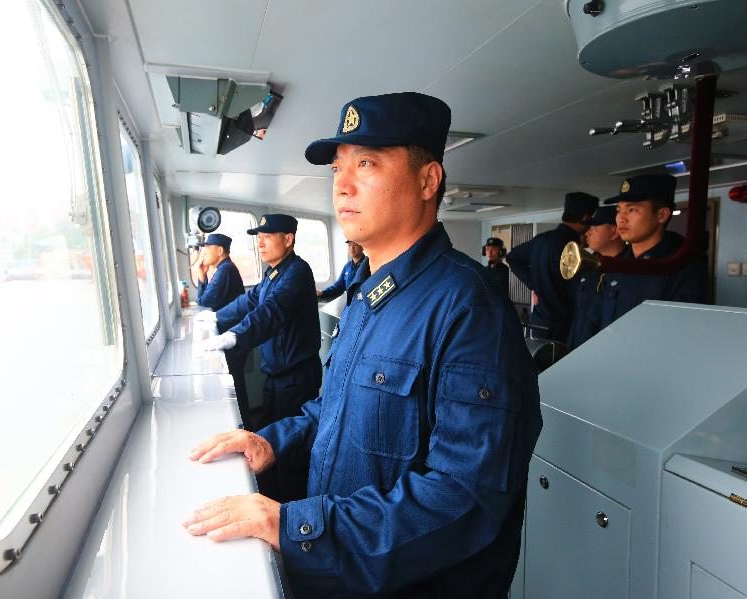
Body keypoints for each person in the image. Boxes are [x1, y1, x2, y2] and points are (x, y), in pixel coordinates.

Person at [185, 92, 541, 598]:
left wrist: (295, 526)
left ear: (427, 180)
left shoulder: (469, 308)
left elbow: (465, 495)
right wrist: (272, 441)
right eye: (337, 169)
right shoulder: (370, 294)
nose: (342, 186)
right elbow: (333, 406)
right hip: (343, 573)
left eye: (367, 163)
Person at [199, 213, 321, 503]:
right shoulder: (274, 273)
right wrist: (217, 317)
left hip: (295, 378)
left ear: (288, 239)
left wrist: (236, 336)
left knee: (292, 448)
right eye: (258, 238)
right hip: (275, 375)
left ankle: (293, 505)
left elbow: (272, 311)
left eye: (267, 237)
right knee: (272, 439)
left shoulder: (297, 272)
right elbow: (251, 301)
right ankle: (273, 494)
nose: (261, 244)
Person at [599, 174, 708, 328]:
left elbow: (685, 330)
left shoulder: (681, 267)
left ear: (661, 215)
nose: (621, 218)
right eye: (619, 210)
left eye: (632, 209)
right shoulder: (618, 264)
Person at [506, 191, 599, 343]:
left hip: (538, 322)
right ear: (586, 218)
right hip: (564, 326)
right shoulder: (572, 248)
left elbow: (512, 258)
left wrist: (535, 285)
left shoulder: (542, 240)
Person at [191, 233, 249, 420]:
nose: (204, 253)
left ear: (220, 250)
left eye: (207, 249)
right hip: (230, 331)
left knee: (236, 382)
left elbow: (205, 300)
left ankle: (246, 424)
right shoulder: (224, 269)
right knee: (236, 380)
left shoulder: (225, 270)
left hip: (232, 333)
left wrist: (201, 275)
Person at [565, 206, 624, 350]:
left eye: (595, 227)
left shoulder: (627, 270)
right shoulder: (589, 268)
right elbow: (579, 316)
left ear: (615, 231)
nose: (587, 233)